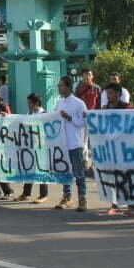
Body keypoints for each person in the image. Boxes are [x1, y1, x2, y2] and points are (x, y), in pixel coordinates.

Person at [54, 76, 89, 212]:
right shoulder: (59, 102)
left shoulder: (79, 103)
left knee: (79, 173)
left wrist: (70, 118)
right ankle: (67, 197)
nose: (59, 88)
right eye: (59, 85)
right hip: (63, 143)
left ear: (68, 87)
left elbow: (84, 123)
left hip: (75, 143)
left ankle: (82, 198)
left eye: (61, 85)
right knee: (64, 171)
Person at [103, 82, 133, 216]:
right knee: (113, 178)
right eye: (107, 93)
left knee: (127, 178)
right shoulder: (104, 109)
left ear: (118, 94)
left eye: (110, 93)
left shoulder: (127, 108)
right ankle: (115, 205)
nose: (108, 96)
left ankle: (131, 206)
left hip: (126, 149)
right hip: (111, 150)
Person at [15, 93, 48, 204]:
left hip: (41, 147)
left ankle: (43, 195)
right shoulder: (30, 114)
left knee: (41, 170)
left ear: (36, 103)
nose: (28, 105)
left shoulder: (44, 115)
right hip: (30, 147)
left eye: (30, 103)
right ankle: (26, 193)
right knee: (29, 169)